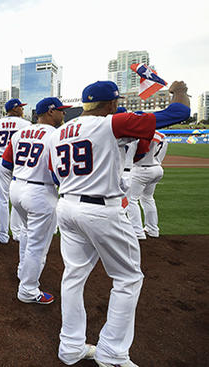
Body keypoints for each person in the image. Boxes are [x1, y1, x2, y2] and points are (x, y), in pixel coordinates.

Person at [50, 80, 190, 367]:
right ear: (111, 104)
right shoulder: (111, 123)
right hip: (102, 209)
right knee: (127, 278)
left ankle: (71, 347)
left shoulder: (59, 132)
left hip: (66, 206)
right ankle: (112, 353)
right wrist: (179, 91)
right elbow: (177, 113)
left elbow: (54, 176)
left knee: (73, 277)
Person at [2, 97, 70, 306]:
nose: (63, 114)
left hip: (17, 187)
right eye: (60, 110)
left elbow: (6, 163)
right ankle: (28, 290)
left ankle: (23, 271)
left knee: (26, 234)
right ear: (50, 112)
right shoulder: (57, 134)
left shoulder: (20, 133)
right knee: (37, 246)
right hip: (40, 191)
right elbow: (60, 171)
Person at [0, 99, 31, 244]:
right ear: (14, 109)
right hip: (21, 162)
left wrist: (1, 151)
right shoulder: (27, 124)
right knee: (18, 197)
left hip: (2, 161)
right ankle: (17, 233)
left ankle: (2, 234)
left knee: (3, 199)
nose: (22, 110)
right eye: (21, 108)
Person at [127, 131, 168, 239]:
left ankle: (137, 231)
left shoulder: (138, 134)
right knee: (148, 198)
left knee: (131, 200)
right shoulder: (162, 136)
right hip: (157, 168)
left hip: (141, 169)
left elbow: (131, 155)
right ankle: (153, 229)